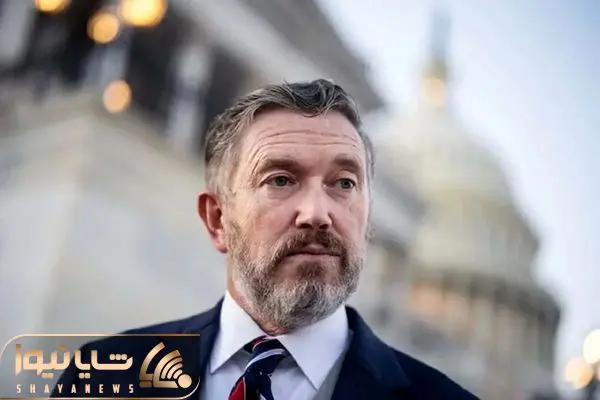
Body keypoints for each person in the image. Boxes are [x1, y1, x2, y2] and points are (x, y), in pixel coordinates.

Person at [52, 79, 478, 399]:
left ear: (367, 223)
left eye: (344, 183)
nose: (317, 214)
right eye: (280, 180)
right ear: (217, 219)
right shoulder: (101, 378)